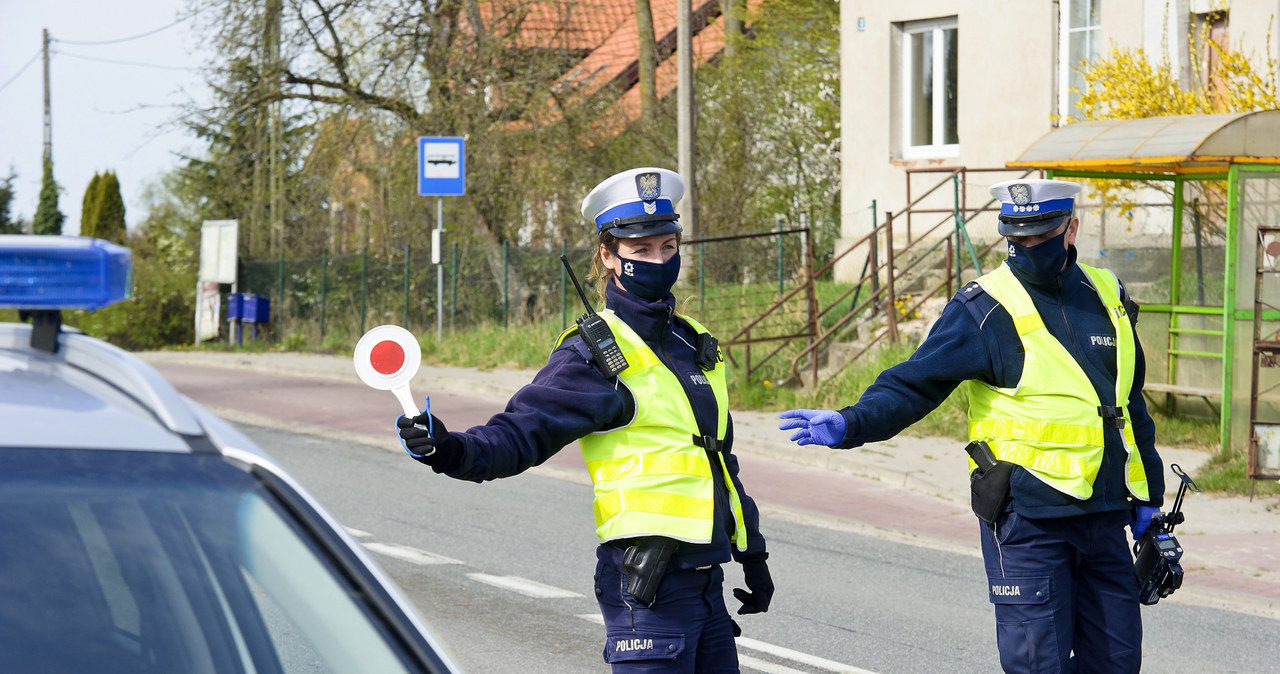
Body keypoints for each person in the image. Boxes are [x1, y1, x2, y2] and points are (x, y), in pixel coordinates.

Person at [778, 178, 1165, 674]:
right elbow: (913, 385)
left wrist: (1149, 496)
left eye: (1038, 235)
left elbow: (1130, 405)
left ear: (1071, 228)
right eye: (1015, 236)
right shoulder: (985, 307)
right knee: (1037, 666)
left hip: (1106, 516)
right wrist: (852, 422)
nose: (1025, 247)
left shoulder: (1107, 294)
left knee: (1116, 665)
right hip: (1029, 519)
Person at [397, 167, 772, 673]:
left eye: (668, 246)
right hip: (649, 587)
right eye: (640, 251)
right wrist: (448, 448)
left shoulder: (694, 343)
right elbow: (518, 435)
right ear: (608, 254)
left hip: (707, 585)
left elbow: (717, 459)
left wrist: (752, 552)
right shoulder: (593, 355)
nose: (658, 261)